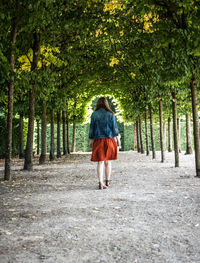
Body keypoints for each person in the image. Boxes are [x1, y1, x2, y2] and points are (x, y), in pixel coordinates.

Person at [89, 97, 120, 189]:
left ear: (98, 104)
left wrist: (91, 140)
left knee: (100, 162)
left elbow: (92, 128)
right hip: (109, 140)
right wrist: (118, 140)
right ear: (107, 104)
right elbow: (114, 129)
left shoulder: (94, 115)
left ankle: (100, 183)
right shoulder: (111, 114)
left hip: (98, 140)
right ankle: (107, 181)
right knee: (108, 162)